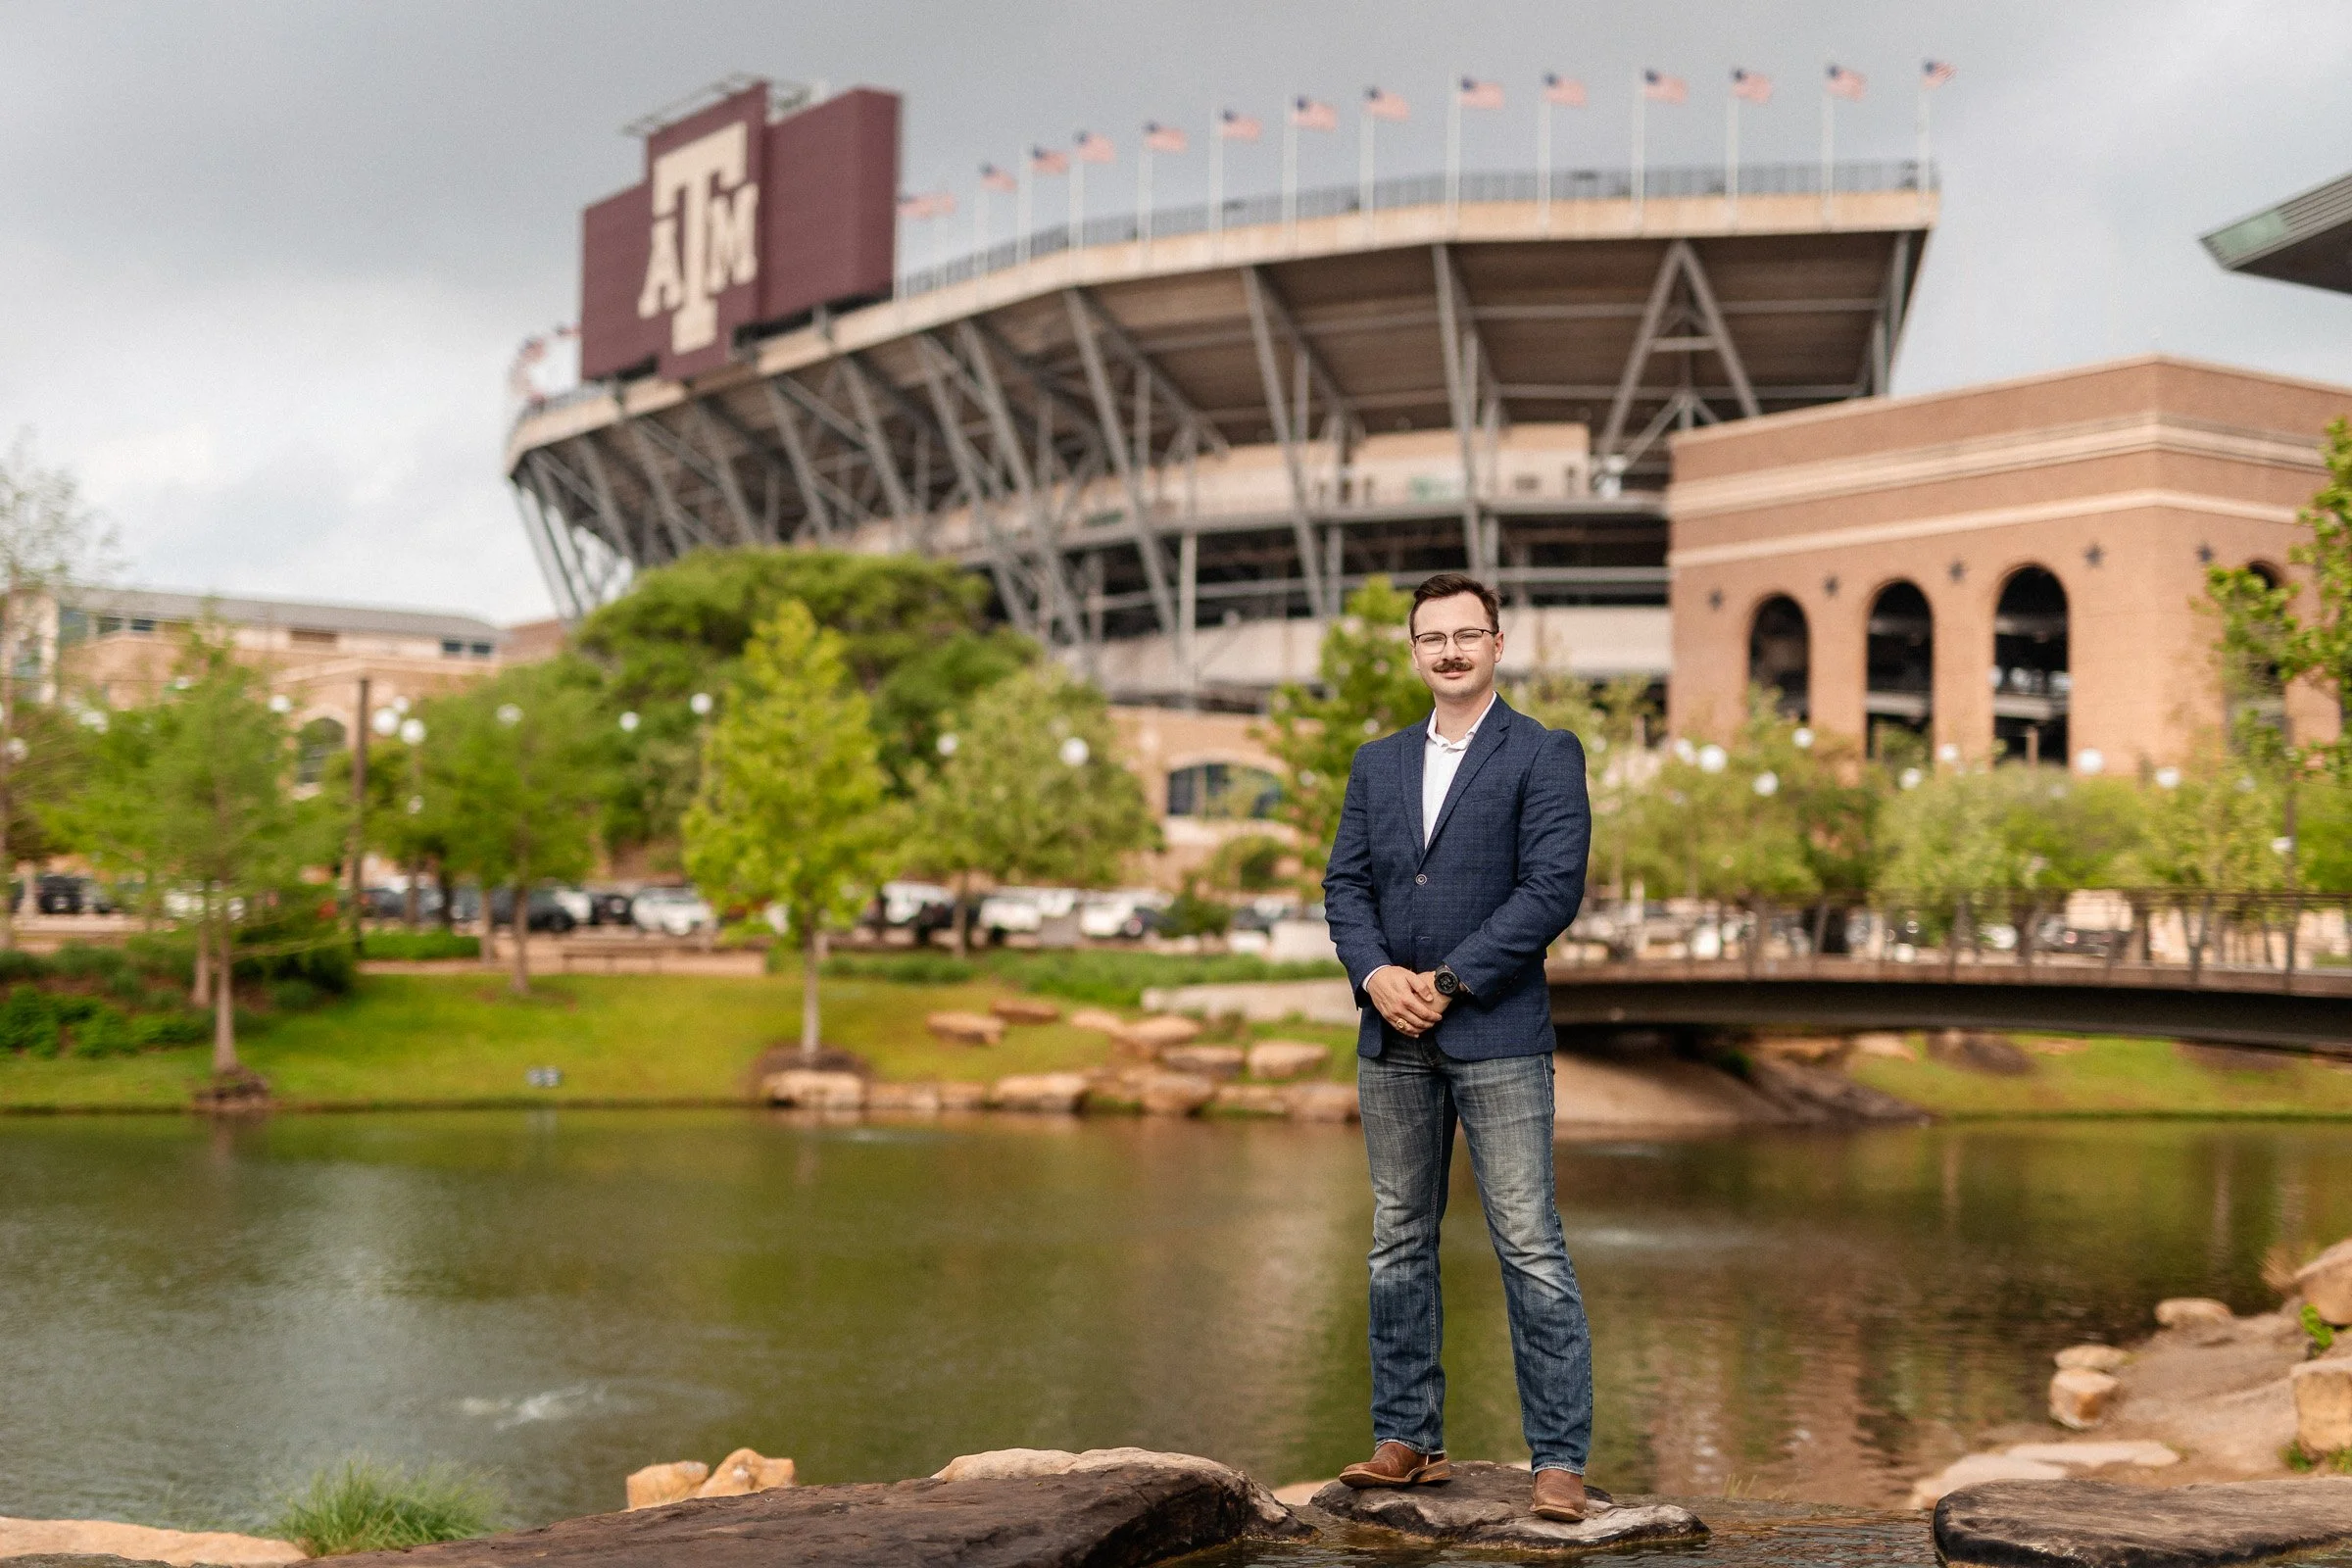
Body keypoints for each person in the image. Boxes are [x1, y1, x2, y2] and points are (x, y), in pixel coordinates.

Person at [1320, 571, 1595, 1522]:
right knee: (1398, 1238)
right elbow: (1344, 886)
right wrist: (1374, 974)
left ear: (1496, 643)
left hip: (1499, 1033)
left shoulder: (1545, 753)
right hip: (1390, 1037)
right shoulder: (1375, 762)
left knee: (1529, 1242)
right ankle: (1407, 1441)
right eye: (1431, 637)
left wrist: (1444, 980)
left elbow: (1550, 890)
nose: (1448, 651)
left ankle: (1558, 1459)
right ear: (1414, 651)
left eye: (1465, 635)